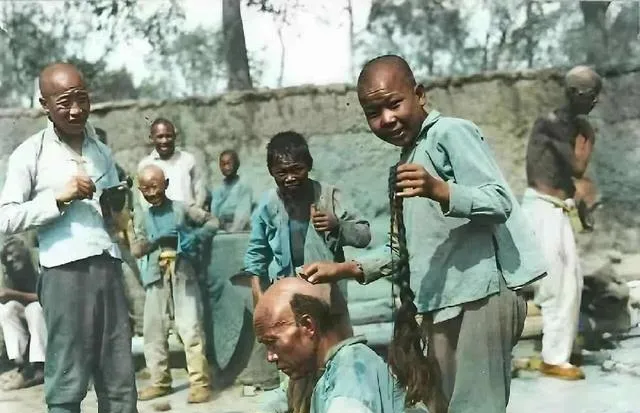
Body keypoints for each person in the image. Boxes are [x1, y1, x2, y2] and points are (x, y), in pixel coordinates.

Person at [299, 55, 545, 413]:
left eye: (394, 104)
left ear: (420, 95)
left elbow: (499, 200)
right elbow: (403, 251)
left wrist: (440, 190)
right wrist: (342, 269)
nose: (387, 119)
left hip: (481, 296)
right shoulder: (407, 160)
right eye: (373, 113)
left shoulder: (450, 133)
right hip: (440, 303)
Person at [0, 62, 137, 413]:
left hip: (107, 266)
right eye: (64, 102)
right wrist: (58, 199)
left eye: (82, 99)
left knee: (120, 379)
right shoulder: (29, 153)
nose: (76, 110)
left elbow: (112, 215)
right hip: (64, 272)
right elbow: (6, 217)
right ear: (44, 104)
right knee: (67, 379)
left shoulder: (101, 150)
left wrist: (116, 205)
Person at [242, 131, 371, 409]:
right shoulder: (268, 204)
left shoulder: (328, 196)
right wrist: (260, 298)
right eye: (282, 172)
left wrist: (337, 226)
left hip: (328, 302)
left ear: (309, 165)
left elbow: (363, 235)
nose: (290, 178)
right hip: (287, 308)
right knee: (293, 376)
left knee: (336, 364)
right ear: (271, 171)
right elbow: (255, 254)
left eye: (297, 169)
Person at [520, 65, 602, 380]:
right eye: (591, 94)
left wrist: (581, 205)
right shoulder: (549, 124)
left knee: (572, 282)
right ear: (573, 93)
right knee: (556, 285)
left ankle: (559, 352)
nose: (595, 101)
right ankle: (553, 357)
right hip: (541, 209)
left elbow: (572, 179)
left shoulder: (575, 126)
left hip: (557, 209)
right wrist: (587, 139)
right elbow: (577, 167)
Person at [130, 164, 219, 403]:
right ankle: (160, 382)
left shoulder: (182, 208)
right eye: (146, 188)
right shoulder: (142, 216)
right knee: (153, 332)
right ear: (140, 190)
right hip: (155, 278)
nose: (151, 193)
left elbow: (213, 222)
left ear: (166, 184)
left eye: (155, 186)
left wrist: (194, 236)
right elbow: (136, 249)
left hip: (183, 274)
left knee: (190, 328)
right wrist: (156, 240)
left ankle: (200, 383)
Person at [253, 277, 405, 413]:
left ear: (308, 326)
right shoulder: (310, 372)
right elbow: (272, 404)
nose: (270, 357)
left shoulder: (351, 370)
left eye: (272, 342)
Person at [0, 235, 46, 390]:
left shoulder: (39, 258)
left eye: (12, 252)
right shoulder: (9, 269)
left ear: (22, 245)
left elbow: (49, 296)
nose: (9, 258)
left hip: (53, 311)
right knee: (7, 309)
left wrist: (13, 294)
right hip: (31, 315)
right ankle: (21, 364)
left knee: (34, 308)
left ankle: (39, 367)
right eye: (5, 256)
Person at [137, 118, 208, 209]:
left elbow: (199, 190)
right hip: (159, 215)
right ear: (151, 138)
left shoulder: (187, 159)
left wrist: (195, 210)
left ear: (175, 136)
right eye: (160, 137)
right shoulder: (145, 165)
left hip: (188, 214)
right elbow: (143, 200)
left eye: (168, 136)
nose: (165, 141)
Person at [210, 149, 253, 232]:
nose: (226, 167)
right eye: (223, 164)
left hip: (238, 229)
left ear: (237, 164)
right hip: (220, 229)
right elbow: (214, 213)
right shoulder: (217, 189)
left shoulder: (243, 186)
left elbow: (242, 215)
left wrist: (232, 231)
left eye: (229, 163)